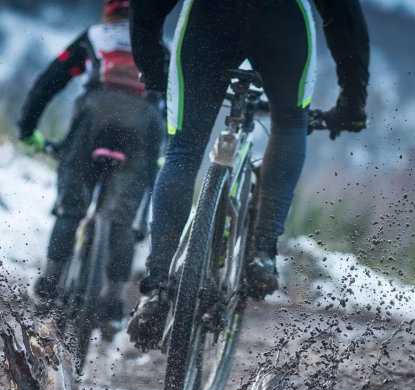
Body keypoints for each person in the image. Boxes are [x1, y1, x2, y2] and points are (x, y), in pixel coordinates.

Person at [127, 0, 370, 349]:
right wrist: (352, 103)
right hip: (282, 21)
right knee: (289, 124)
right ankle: (262, 252)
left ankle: (157, 285)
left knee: (183, 151)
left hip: (209, 21)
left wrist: (151, 66)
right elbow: (344, 15)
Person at [18, 0, 164, 328]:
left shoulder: (96, 36)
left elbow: (50, 81)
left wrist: (27, 129)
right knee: (122, 221)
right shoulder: (159, 45)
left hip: (94, 117)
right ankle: (113, 302)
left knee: (72, 208)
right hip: (144, 126)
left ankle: (49, 283)